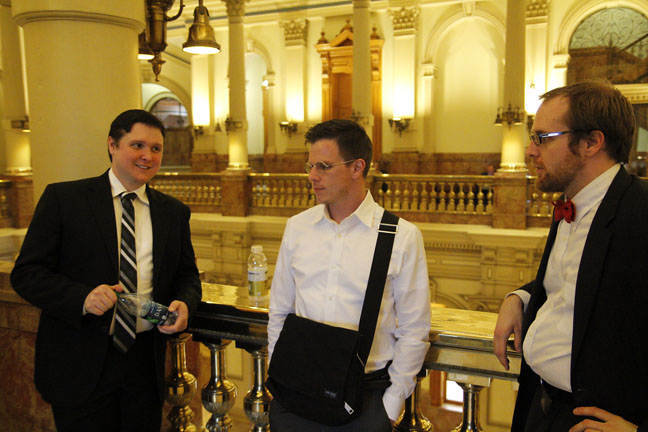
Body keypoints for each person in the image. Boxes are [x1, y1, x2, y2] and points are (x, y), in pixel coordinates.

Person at [11, 109, 202, 432]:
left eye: (156, 149)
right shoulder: (64, 199)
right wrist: (82, 297)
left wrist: (185, 303)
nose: (147, 156)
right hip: (79, 363)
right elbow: (27, 273)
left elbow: (187, 276)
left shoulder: (173, 213)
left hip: (143, 366)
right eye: (137, 145)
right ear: (112, 145)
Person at [492, 80, 647, 432]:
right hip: (542, 408)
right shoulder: (570, 204)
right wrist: (521, 296)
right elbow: (581, 280)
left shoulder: (641, 213)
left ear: (592, 142)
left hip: (599, 420)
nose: (530, 151)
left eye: (542, 138)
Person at [267, 119, 431, 431]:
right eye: (310, 165)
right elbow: (280, 311)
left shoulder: (401, 236)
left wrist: (390, 405)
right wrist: (280, 374)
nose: (312, 176)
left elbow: (414, 329)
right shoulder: (297, 228)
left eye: (324, 166)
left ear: (358, 167)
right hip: (294, 397)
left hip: (365, 401)